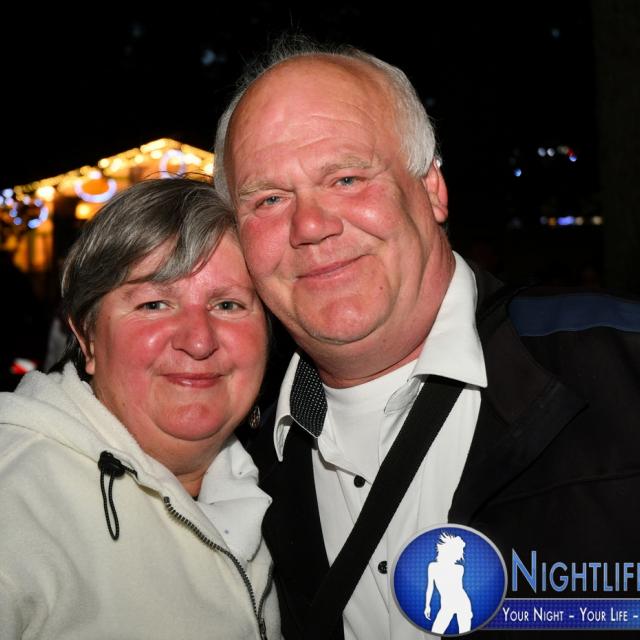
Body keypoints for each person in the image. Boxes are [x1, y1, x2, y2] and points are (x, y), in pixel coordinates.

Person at [213, 40, 640, 640]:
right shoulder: (232, 466)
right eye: (269, 199)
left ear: (432, 188)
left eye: (346, 178)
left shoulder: (622, 364)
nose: (310, 225)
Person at [0, 177, 280, 639]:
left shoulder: (283, 481)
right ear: (87, 338)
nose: (198, 340)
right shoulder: (16, 496)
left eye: (228, 304)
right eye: (154, 304)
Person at [424, 533, 472, 634]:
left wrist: (468, 611)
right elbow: (430, 587)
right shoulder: (433, 567)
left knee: (465, 633)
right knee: (435, 632)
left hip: (462, 603)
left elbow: (459, 589)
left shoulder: (459, 569)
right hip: (446, 605)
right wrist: (427, 605)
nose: (459, 555)